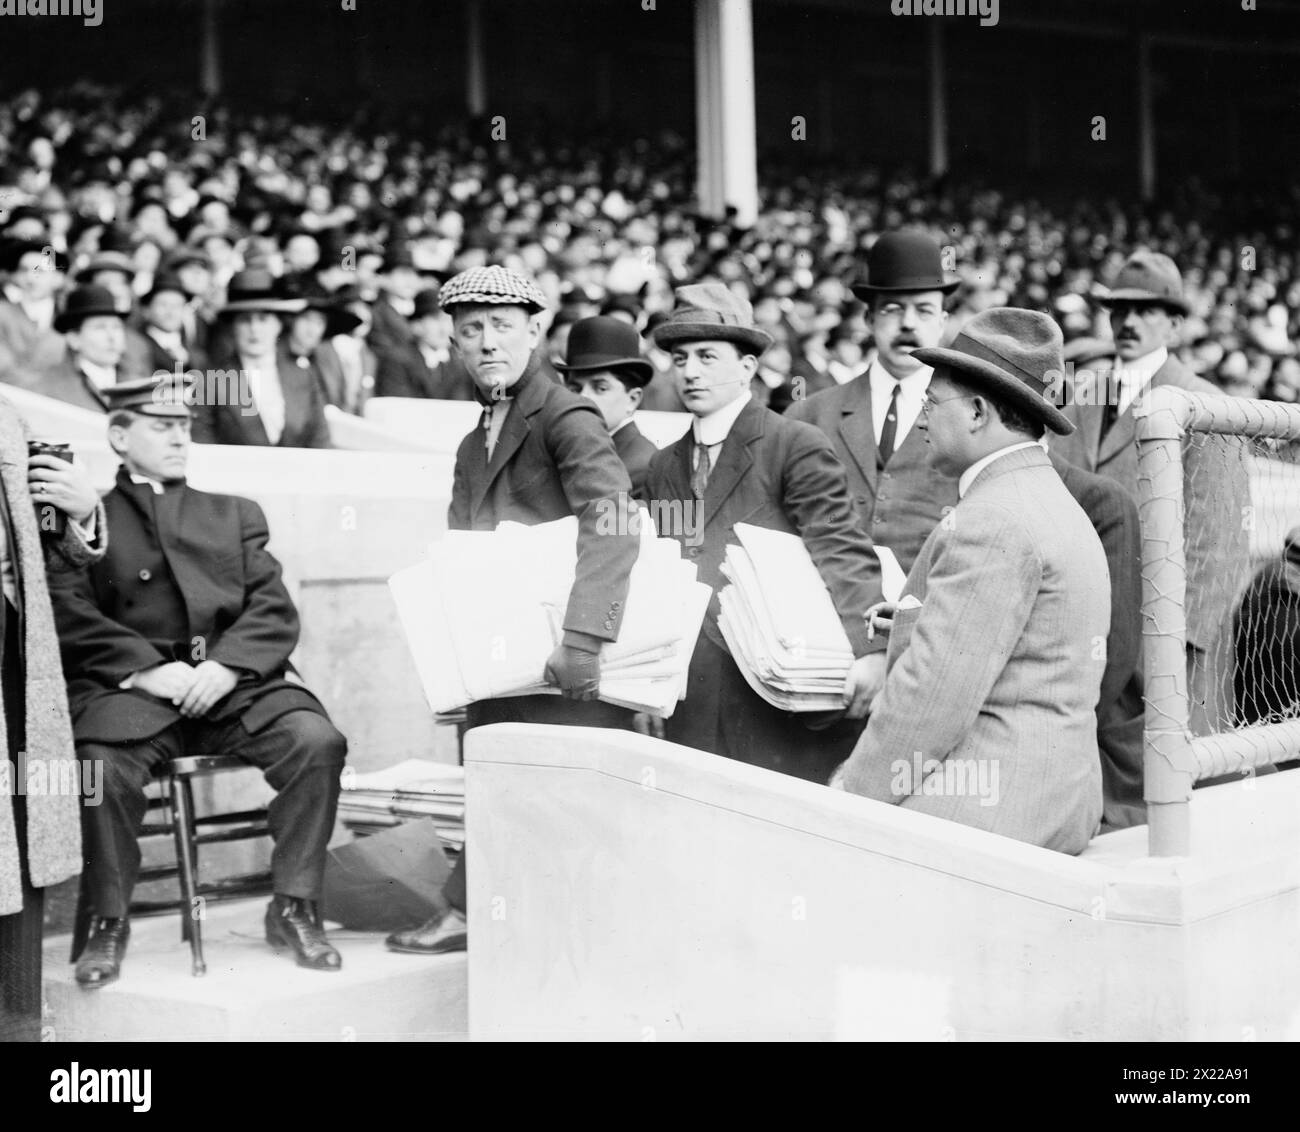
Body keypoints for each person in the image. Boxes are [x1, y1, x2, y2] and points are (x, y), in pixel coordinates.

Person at [48, 375, 348, 987]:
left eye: (184, 426)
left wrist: (227, 664)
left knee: (317, 742)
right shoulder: (88, 518)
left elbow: (273, 607)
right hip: (134, 696)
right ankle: (111, 921)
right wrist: (147, 671)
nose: (179, 438)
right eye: (162, 427)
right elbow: (66, 610)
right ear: (118, 435)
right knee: (99, 768)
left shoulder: (233, 513)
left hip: (233, 689)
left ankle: (293, 906)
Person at [385, 265, 639, 957]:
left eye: (502, 326)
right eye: (471, 330)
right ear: (455, 344)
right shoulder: (475, 441)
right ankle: (478, 916)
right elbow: (456, 552)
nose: (487, 342)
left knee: (566, 807)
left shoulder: (565, 414)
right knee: (496, 782)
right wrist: (453, 665)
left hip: (558, 655)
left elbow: (613, 519)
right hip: (497, 658)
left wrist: (583, 637)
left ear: (534, 332)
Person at [835, 309, 1109, 855]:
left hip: (989, 805)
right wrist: (916, 621)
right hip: (1052, 796)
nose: (920, 420)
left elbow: (931, 700)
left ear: (979, 412)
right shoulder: (1046, 497)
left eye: (932, 404)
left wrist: (850, 794)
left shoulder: (992, 518)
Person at [642, 281, 886, 784]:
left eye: (708, 356)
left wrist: (871, 650)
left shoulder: (791, 444)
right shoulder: (663, 465)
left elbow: (838, 546)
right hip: (691, 693)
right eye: (680, 357)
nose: (690, 371)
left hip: (776, 692)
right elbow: (662, 577)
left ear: (748, 368)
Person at [1052, 251, 1252, 736]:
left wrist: (1182, 644)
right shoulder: (1083, 394)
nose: (1128, 321)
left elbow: (1219, 541)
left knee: (1160, 777)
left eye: (1146, 311)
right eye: (1119, 309)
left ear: (1175, 326)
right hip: (1084, 622)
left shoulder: (1204, 403)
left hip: (1159, 633)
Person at [0, 398, 105, 1040]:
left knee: (23, 832)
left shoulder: (7, 416)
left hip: (15, 654)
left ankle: (16, 1024)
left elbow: (56, 550)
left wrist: (80, 509)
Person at [786, 229, 960, 576]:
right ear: (869, 319)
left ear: (942, 322)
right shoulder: (809, 413)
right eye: (893, 309)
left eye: (924, 310)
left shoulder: (970, 417)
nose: (908, 323)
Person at [191, 269, 332, 449]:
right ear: (233, 328)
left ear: (279, 325)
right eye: (245, 320)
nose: (254, 329)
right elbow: (202, 447)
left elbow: (320, 440)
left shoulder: (303, 375)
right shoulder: (209, 381)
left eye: (263, 319)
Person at [556, 315, 658, 498]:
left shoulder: (643, 465)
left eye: (600, 388)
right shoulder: (561, 447)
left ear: (632, 399)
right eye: (575, 388)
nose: (583, 397)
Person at [17, 285, 129, 411]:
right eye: (100, 327)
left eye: (116, 327)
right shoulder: (50, 386)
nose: (112, 337)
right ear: (74, 339)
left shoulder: (137, 381)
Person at [374, 287, 474, 400]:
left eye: (449, 321)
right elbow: (396, 407)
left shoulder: (461, 363)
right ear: (416, 325)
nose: (445, 329)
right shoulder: (397, 359)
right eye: (436, 320)